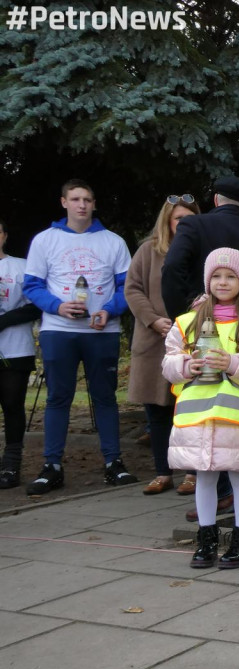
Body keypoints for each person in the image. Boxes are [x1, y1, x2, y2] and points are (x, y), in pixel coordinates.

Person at [22, 179, 138, 495]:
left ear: (94, 203)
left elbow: (127, 288)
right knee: (59, 397)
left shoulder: (112, 241)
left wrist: (110, 311)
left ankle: (114, 462)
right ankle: (52, 465)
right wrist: (58, 306)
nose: (82, 205)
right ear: (64, 203)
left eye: (87, 199)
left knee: (105, 397)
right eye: (75, 199)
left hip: (102, 331)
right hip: (58, 331)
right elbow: (31, 286)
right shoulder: (45, 240)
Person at [162, 248, 239, 569]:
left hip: (237, 418)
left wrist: (234, 363)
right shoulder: (186, 322)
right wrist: (187, 364)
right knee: (205, 479)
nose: (222, 282)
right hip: (196, 417)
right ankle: (206, 538)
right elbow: (168, 364)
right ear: (207, 280)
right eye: (216, 276)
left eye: (230, 276)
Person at [125, 194, 201, 495]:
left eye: (190, 218)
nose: (184, 224)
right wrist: (153, 320)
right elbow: (132, 289)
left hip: (191, 340)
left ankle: (192, 473)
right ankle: (162, 472)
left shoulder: (201, 251)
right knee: (157, 412)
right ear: (167, 222)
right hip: (154, 340)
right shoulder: (148, 251)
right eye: (178, 218)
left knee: (191, 410)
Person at [162, 175, 239, 320]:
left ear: (216, 200)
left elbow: (172, 267)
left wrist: (181, 318)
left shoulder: (192, 225)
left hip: (200, 325)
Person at [0, 218, 43, 489]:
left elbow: (35, 305)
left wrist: (4, 321)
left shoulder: (21, 267)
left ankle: (11, 465)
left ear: (4, 236)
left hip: (16, 350)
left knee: (12, 406)